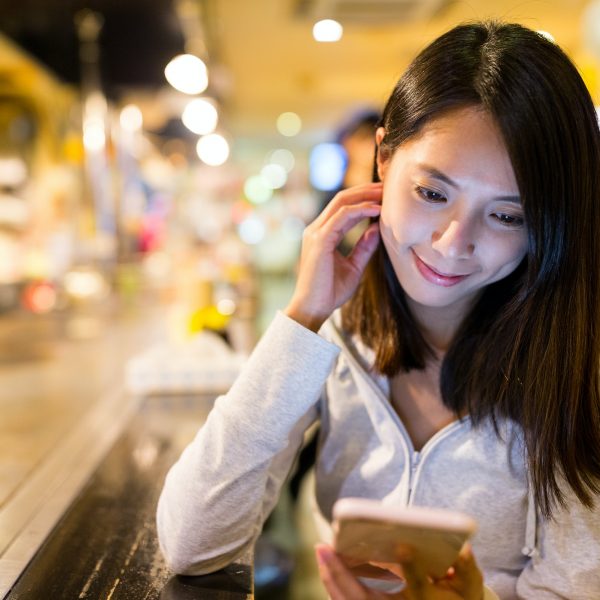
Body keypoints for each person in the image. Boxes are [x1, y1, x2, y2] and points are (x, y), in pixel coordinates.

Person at [156, 20, 600, 599]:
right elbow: (192, 542)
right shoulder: (335, 337)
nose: (451, 241)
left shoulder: (578, 368)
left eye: (508, 216)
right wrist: (301, 321)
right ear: (384, 161)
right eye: (433, 192)